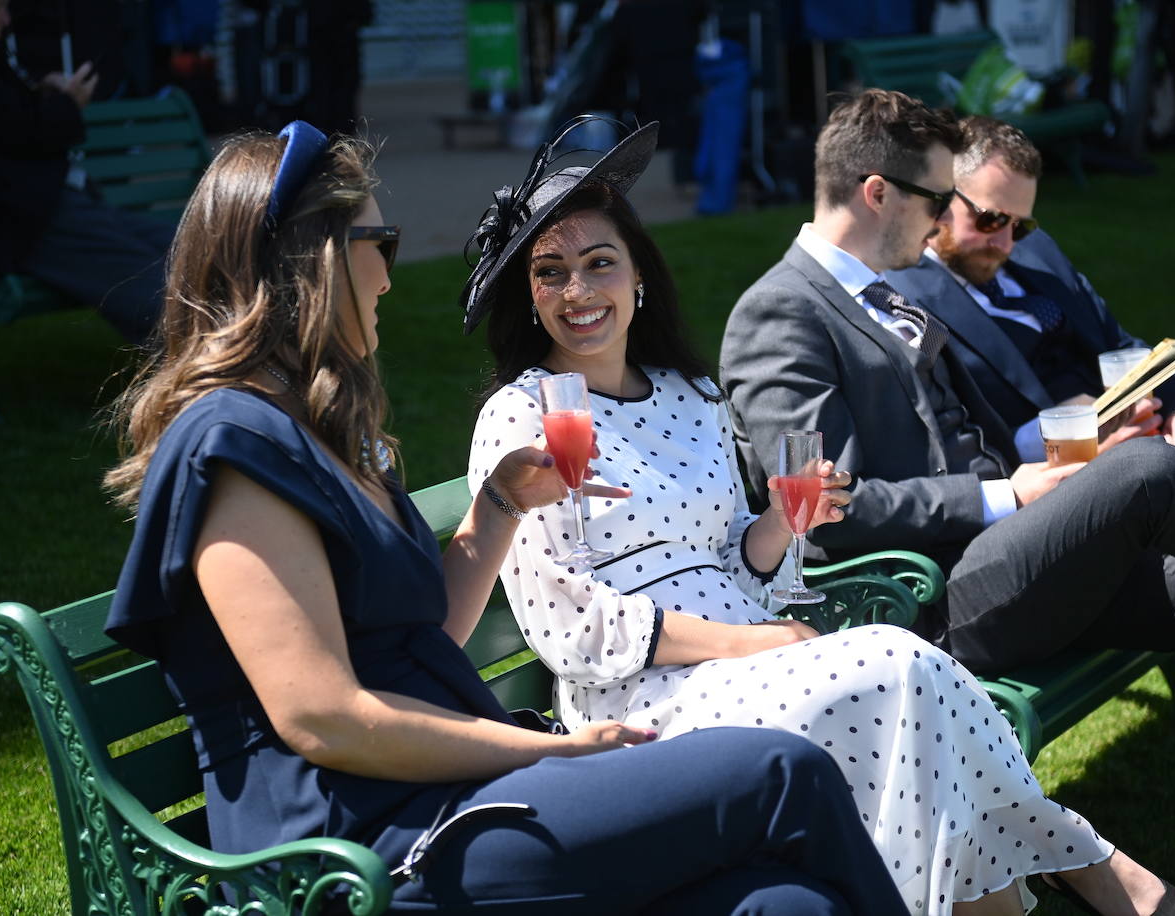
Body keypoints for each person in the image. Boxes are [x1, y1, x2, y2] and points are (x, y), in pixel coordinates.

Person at [99, 119, 913, 915]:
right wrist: (551, 750)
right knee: (783, 772)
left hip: (448, 797)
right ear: (311, 263)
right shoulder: (231, 447)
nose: (390, 274)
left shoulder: (319, 435)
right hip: (358, 846)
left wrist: (497, 508)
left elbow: (427, 639)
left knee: (786, 900)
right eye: (379, 245)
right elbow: (321, 717)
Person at [462, 116, 1175, 916]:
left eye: (599, 262)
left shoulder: (690, 394)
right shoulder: (520, 420)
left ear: (638, 275)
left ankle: (1033, 883)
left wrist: (778, 528)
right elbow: (572, 625)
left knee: (908, 689)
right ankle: (1083, 860)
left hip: (745, 663)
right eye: (550, 272)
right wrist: (756, 639)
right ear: (529, 297)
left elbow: (729, 560)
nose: (578, 291)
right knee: (895, 666)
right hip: (641, 701)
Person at [720, 88, 1175, 916]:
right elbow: (824, 507)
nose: (940, 224)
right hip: (939, 601)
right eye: (934, 199)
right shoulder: (778, 311)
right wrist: (1004, 494)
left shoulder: (887, 288)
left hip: (1028, 556)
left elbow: (990, 431)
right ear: (877, 192)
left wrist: (1072, 451)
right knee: (1149, 477)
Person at [884, 115, 1175, 521]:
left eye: (1020, 225)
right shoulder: (906, 300)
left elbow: (1121, 347)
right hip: (1081, 493)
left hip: (1160, 447)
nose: (1007, 243)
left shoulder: (1038, 252)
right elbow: (953, 449)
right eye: (991, 219)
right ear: (940, 199)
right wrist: (1083, 446)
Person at [0, 0, 170, 345]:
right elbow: (22, 135)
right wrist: (67, 104)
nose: (6, 17)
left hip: (42, 208)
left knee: (186, 250)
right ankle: (220, 368)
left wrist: (45, 98)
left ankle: (232, 354)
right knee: (157, 287)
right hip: (23, 220)